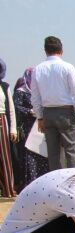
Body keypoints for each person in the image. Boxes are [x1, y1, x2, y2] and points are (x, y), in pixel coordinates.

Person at [31, 36, 75, 170]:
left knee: (53, 154)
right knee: (71, 151)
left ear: (45, 51)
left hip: (48, 113)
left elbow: (35, 97)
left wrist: (40, 117)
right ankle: (73, 180)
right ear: (61, 50)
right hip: (66, 112)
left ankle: (56, 181)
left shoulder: (38, 69)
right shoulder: (68, 67)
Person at [13, 68, 49, 189]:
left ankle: (42, 184)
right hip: (27, 129)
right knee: (29, 156)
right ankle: (29, 185)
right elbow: (16, 107)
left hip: (41, 128)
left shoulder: (41, 91)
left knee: (42, 154)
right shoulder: (21, 92)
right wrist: (30, 112)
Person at [0, 58, 18, 197]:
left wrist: (13, 129)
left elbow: (11, 109)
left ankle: (8, 189)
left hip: (2, 121)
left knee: (5, 157)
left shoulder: (5, 86)